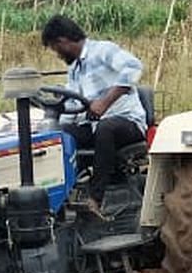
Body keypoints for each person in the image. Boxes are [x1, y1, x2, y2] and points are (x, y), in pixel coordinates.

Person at [40, 14, 147, 219]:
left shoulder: (102, 50)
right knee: (63, 135)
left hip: (127, 121)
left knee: (106, 128)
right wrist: (54, 129)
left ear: (63, 41)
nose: (57, 54)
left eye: (55, 48)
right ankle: (61, 197)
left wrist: (106, 101)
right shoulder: (74, 70)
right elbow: (72, 104)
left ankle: (95, 199)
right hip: (94, 125)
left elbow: (134, 67)